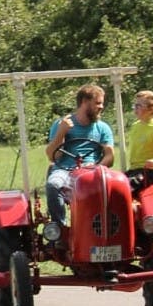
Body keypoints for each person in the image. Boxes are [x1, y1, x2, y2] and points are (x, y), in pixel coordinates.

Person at [44, 84, 115, 226]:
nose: (101, 107)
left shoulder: (102, 128)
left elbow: (109, 156)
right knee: (53, 184)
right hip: (65, 170)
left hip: (92, 171)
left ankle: (105, 226)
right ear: (84, 102)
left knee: (117, 186)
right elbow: (53, 156)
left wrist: (96, 167)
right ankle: (60, 228)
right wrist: (62, 132)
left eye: (102, 103)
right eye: (98, 103)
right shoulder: (61, 124)